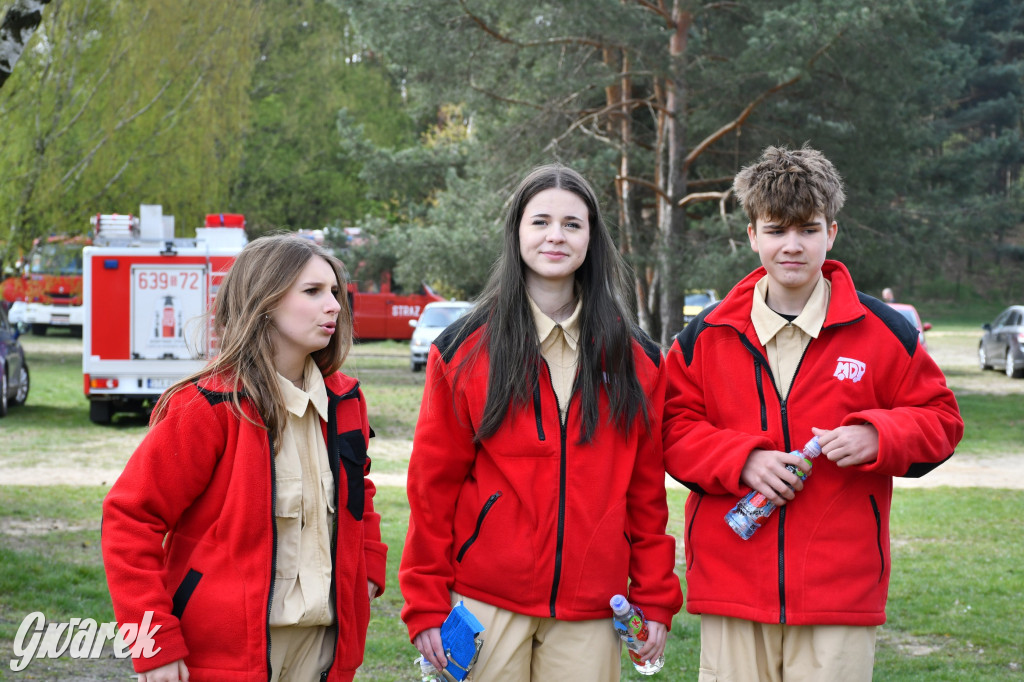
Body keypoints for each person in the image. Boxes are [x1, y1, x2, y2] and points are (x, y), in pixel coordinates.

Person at [662, 145, 963, 681]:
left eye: (808, 229)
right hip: (732, 586)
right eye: (777, 230)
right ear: (752, 235)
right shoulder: (705, 335)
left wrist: (880, 436)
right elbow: (670, 428)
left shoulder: (884, 330)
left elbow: (940, 419)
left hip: (839, 591)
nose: (793, 246)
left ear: (832, 234)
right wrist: (743, 460)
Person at [399, 164, 683, 681]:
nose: (556, 235)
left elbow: (645, 493)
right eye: (541, 222)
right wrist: (424, 598)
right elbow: (432, 486)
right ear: (517, 233)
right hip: (485, 603)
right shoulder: (462, 350)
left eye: (573, 224)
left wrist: (655, 596)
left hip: (594, 608)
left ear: (592, 238)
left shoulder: (636, 357)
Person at [102, 234, 387, 682]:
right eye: (312, 292)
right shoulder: (206, 406)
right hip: (225, 651)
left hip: (325, 647)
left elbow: (359, 491)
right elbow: (130, 518)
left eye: (335, 292)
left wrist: (369, 561)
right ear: (265, 301)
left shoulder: (347, 399)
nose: (333, 305)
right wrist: (151, 639)